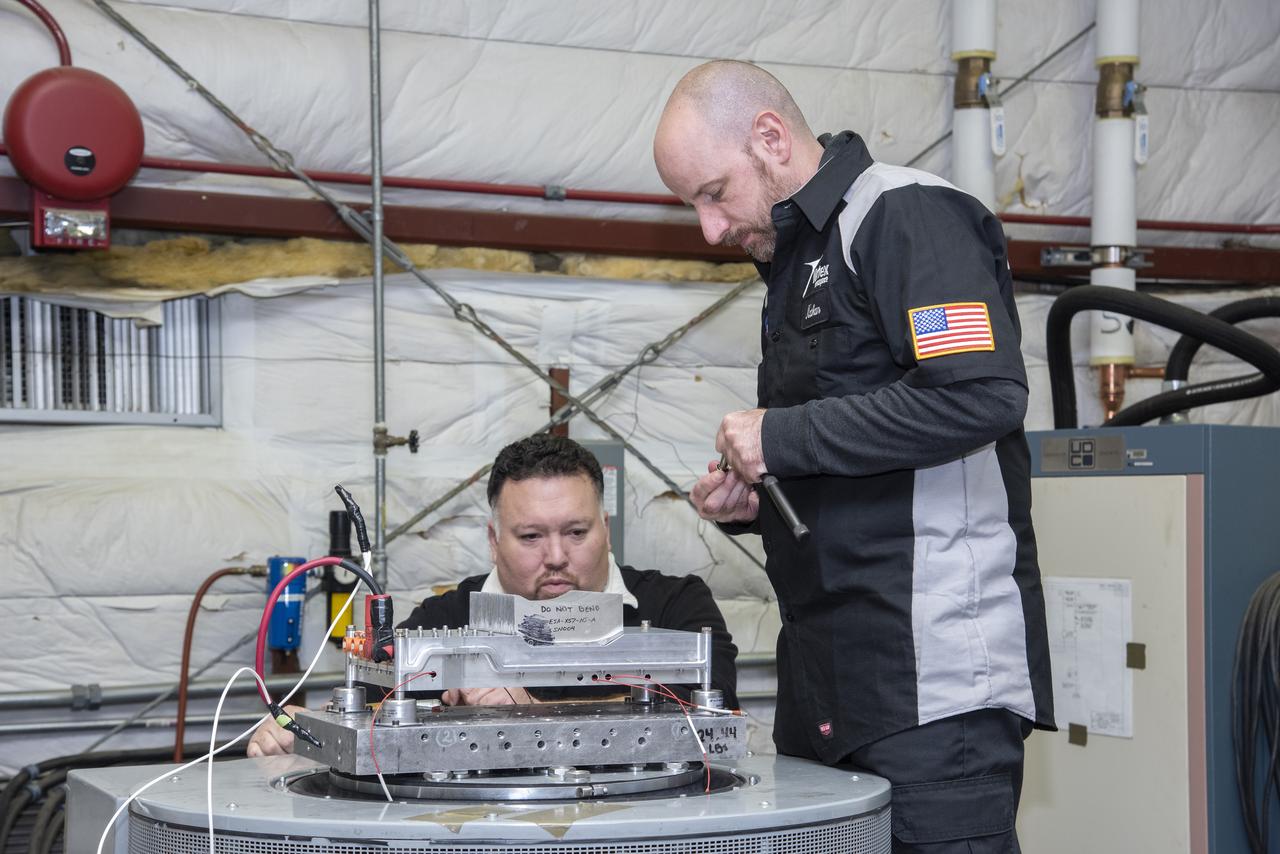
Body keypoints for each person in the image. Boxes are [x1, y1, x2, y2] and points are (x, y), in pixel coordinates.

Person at [653, 60, 1054, 853]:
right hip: (833, 690)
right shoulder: (797, 261)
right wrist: (760, 494)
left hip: (933, 695)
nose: (709, 229)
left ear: (769, 137)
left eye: (712, 193)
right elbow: (864, 455)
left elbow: (978, 396)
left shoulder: (906, 217)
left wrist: (778, 438)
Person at [248, 433, 737, 756]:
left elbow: (715, 725)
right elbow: (368, 718)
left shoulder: (677, 607)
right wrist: (303, 727)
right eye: (530, 537)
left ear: (605, 530)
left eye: (576, 532)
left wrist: (529, 714)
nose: (556, 556)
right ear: (492, 539)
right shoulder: (444, 618)